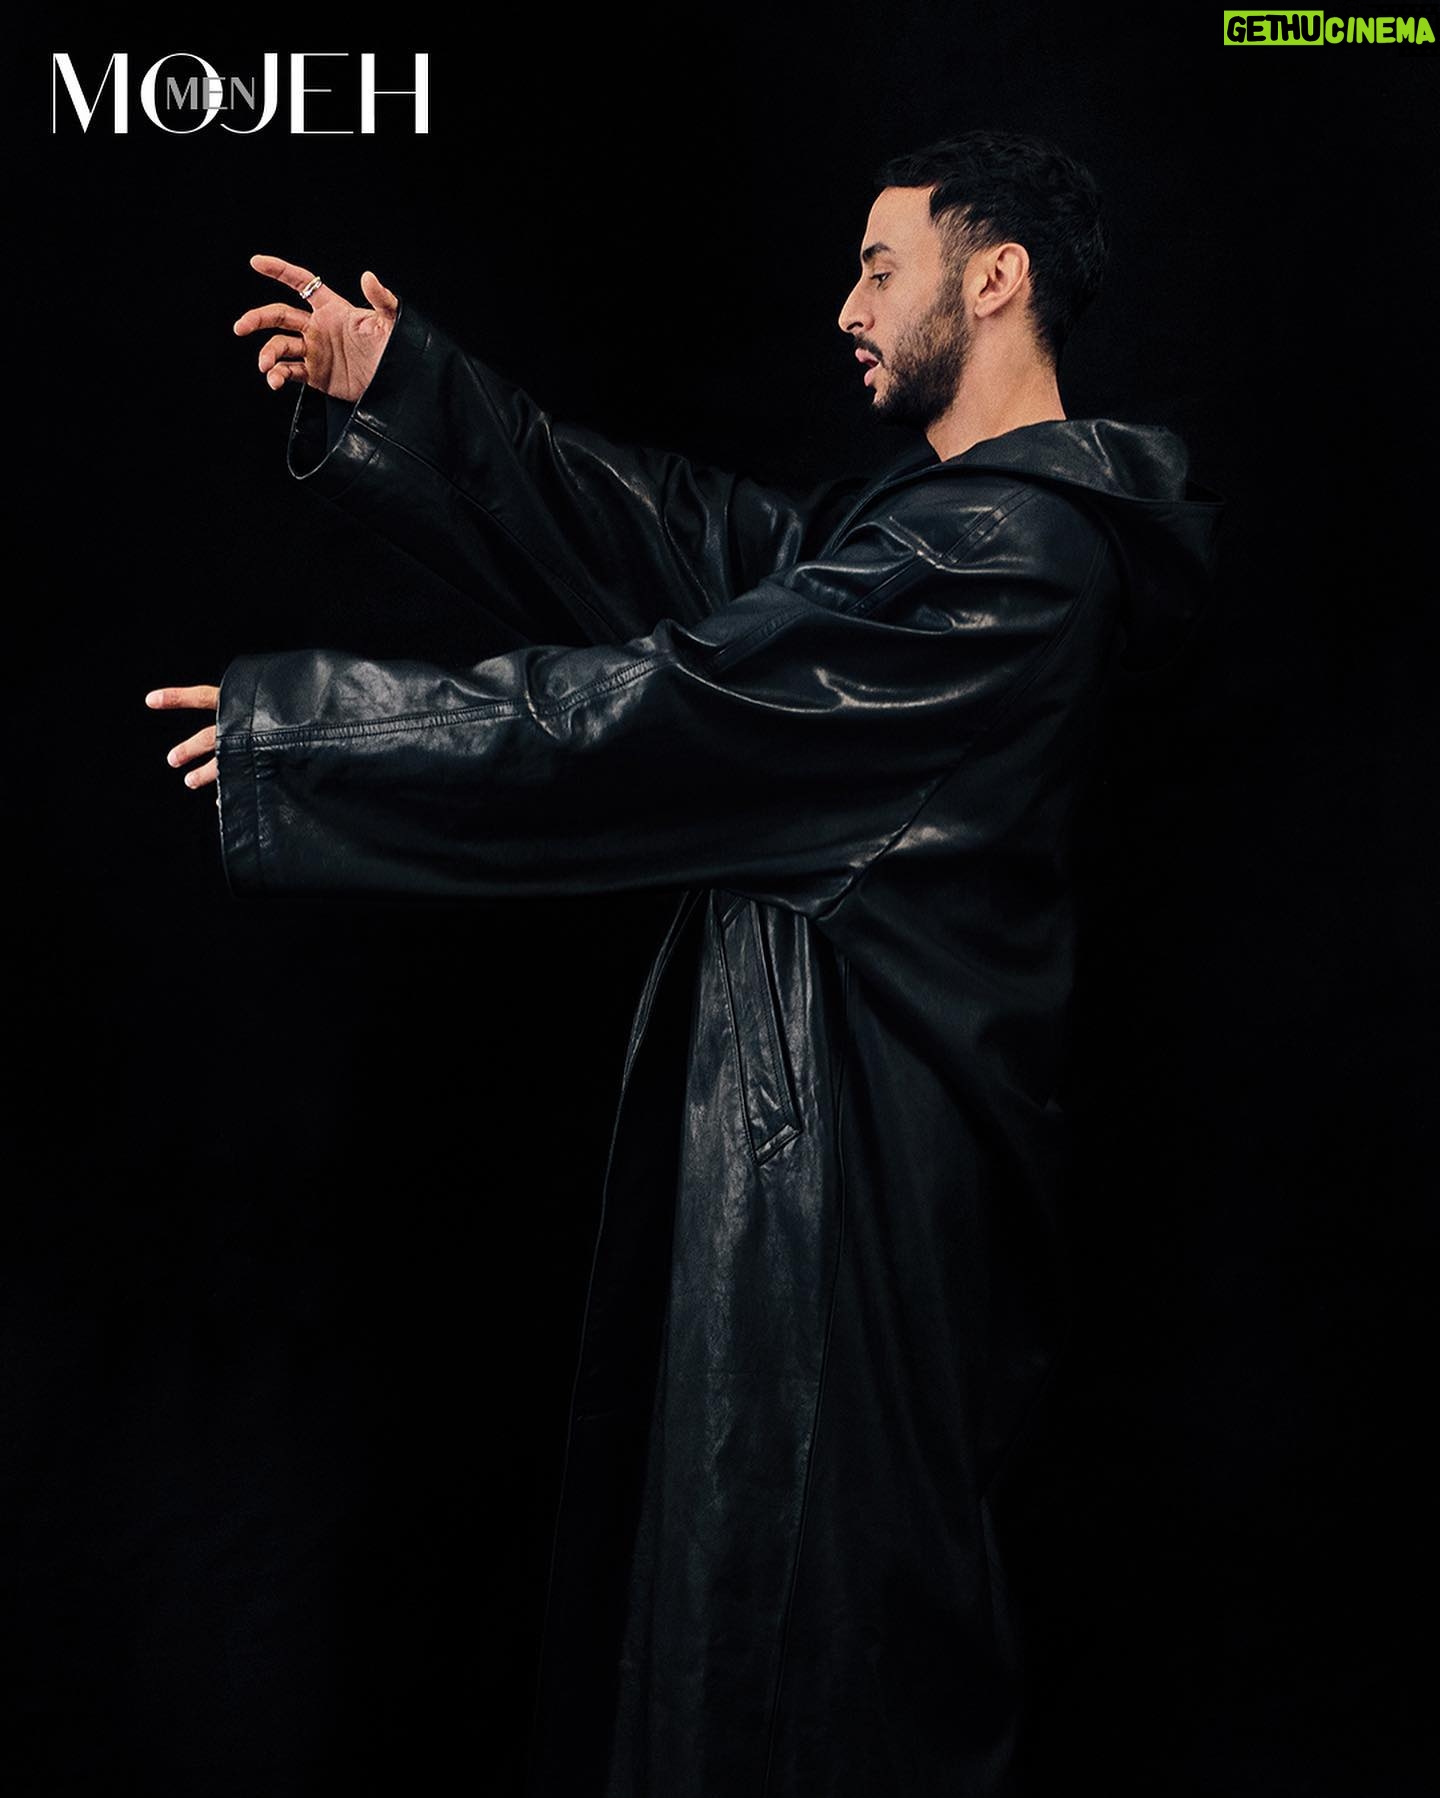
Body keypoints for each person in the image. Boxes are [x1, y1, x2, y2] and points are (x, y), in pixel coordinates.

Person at [146, 129, 1225, 1796]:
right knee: (743, 1663)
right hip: (827, 1186)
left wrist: (321, 738)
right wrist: (409, 390)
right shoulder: (933, 534)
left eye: (882, 265)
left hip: (859, 1206)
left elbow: (678, 704)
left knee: (809, 1676)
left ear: (995, 277)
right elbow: (684, 545)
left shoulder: (1007, 563)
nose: (847, 305)